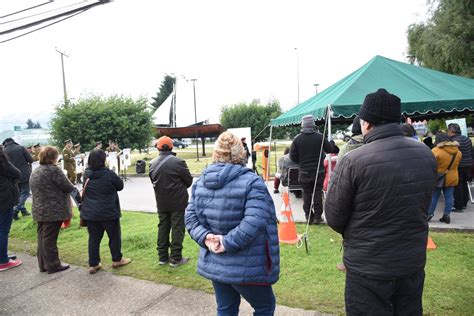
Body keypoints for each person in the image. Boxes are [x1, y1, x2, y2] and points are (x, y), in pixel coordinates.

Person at [325, 88, 437, 315]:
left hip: (369, 266)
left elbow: (334, 217)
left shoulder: (353, 160)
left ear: (366, 123)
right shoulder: (425, 154)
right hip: (410, 260)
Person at [185, 131, 280, 315]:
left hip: (219, 260)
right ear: (240, 153)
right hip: (244, 263)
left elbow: (191, 218)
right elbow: (254, 221)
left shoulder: (201, 182)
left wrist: (213, 240)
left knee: (226, 309)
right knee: (264, 306)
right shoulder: (252, 182)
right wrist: (210, 239)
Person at [80, 149, 130, 274]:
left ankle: (93, 264)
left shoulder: (87, 174)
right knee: (114, 237)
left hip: (91, 212)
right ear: (103, 160)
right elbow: (120, 186)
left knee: (94, 238)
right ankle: (117, 259)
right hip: (109, 212)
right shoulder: (109, 174)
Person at [30, 146, 76, 274]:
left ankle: (43, 265)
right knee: (50, 239)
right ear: (54, 157)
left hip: (39, 209)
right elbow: (68, 187)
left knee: (42, 238)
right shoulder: (54, 170)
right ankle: (53, 265)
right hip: (53, 210)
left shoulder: (37, 170)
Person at [149, 136, 193, 267]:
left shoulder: (152, 163)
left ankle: (162, 257)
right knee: (177, 228)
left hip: (161, 201)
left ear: (158, 148)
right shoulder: (179, 162)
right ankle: (175, 258)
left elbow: (153, 181)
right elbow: (189, 181)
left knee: (163, 227)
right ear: (171, 147)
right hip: (178, 201)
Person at [290, 114, 339, 224]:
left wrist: (301, 162)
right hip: (318, 171)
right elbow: (330, 149)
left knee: (306, 194)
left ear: (302, 125)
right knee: (317, 193)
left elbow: (292, 156)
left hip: (303, 172)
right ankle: (317, 217)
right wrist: (331, 142)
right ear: (313, 125)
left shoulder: (297, 139)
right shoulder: (320, 137)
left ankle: (308, 216)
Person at [427, 132, 461, 224]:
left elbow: (430, 164)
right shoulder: (458, 152)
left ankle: (429, 214)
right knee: (449, 196)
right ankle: (446, 216)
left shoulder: (436, 150)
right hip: (452, 176)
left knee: (434, 196)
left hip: (438, 177)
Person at [0, 147, 23, 271]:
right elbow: (17, 173)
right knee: (3, 230)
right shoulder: (2, 161)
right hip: (3, 198)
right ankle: (3, 261)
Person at [2, 138, 34, 220]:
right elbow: (30, 160)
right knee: (25, 193)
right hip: (24, 175)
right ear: (13, 141)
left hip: (12, 176)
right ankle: (16, 210)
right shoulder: (21, 148)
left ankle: (23, 211)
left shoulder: (4, 151)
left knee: (19, 194)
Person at [448, 123, 473, 212]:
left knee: (457, 185)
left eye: (448, 130)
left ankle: (459, 206)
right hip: (469, 164)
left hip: (459, 165)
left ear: (451, 131)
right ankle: (464, 203)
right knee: (465, 183)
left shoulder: (452, 141)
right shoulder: (466, 139)